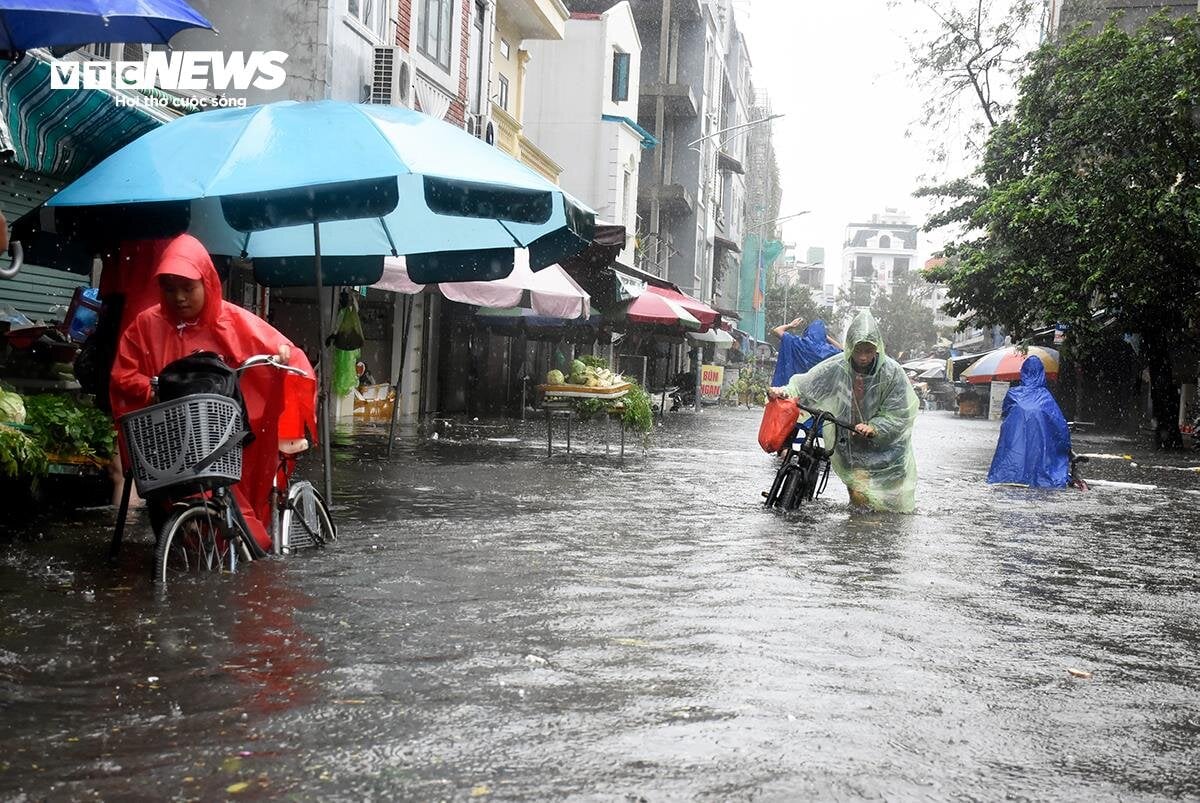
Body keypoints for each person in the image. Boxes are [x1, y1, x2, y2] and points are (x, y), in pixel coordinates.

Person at [110, 234, 316, 551]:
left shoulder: (233, 321)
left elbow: (284, 353)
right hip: (166, 440)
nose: (178, 297)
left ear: (207, 282)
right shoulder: (144, 326)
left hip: (221, 435)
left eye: (188, 287)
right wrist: (152, 389)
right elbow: (122, 376)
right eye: (169, 288)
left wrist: (282, 356)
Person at [767, 309, 919, 512]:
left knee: (892, 504)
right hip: (851, 440)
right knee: (859, 498)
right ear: (850, 348)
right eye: (858, 351)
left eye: (868, 351)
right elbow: (806, 383)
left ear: (877, 348)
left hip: (887, 447)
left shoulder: (892, 373)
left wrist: (875, 427)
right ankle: (859, 532)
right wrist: (784, 391)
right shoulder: (837, 366)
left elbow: (899, 414)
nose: (863, 357)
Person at [986, 356, 1071, 487]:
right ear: (1042, 373)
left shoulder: (1013, 394)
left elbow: (1005, 413)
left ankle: (1012, 476)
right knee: (1040, 456)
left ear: (1023, 372)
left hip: (1015, 438)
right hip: (1039, 439)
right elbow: (1058, 423)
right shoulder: (1045, 397)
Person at [770, 316, 843, 387]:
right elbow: (843, 351)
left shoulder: (798, 343)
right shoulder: (829, 351)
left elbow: (777, 331)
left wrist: (791, 325)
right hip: (815, 391)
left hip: (795, 389)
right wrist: (826, 337)